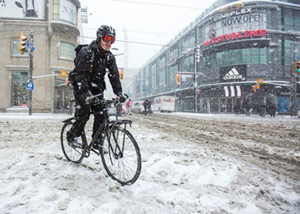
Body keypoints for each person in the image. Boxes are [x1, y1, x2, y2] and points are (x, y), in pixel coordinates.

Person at [67, 25, 126, 147]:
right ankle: (72, 135)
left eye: (112, 40)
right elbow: (80, 75)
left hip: (97, 88)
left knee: (102, 113)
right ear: (99, 38)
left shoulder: (109, 57)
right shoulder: (86, 52)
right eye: (107, 38)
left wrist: (119, 93)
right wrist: (86, 93)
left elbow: (114, 75)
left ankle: (97, 142)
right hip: (81, 87)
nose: (109, 43)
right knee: (84, 112)